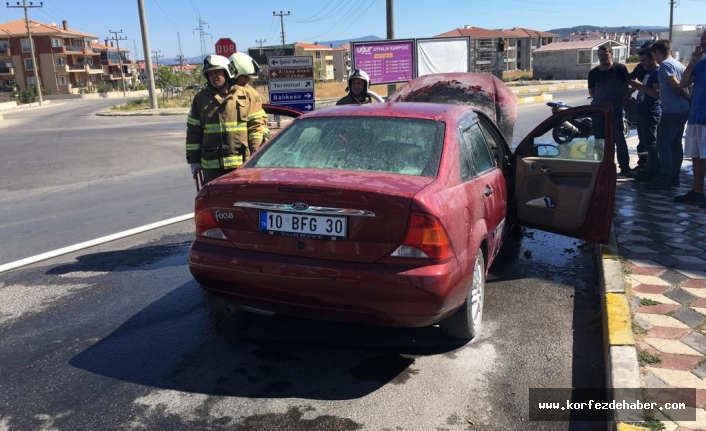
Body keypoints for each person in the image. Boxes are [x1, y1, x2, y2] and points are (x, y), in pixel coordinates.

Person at [185, 54, 268, 184]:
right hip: (212, 169)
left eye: (217, 72)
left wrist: (255, 155)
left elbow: (256, 127)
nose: (214, 77)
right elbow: (193, 132)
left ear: (227, 71)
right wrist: (193, 161)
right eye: (210, 74)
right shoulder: (200, 99)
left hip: (241, 165)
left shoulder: (245, 95)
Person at [644, 39, 691, 191]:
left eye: (654, 55)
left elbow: (676, 85)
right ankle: (674, 177)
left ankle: (665, 179)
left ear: (658, 52)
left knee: (663, 144)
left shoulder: (665, 65)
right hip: (682, 110)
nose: (655, 59)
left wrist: (688, 98)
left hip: (672, 110)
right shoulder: (678, 64)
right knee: (675, 144)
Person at [588, 44, 631, 177]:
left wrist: (619, 100)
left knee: (619, 138)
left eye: (605, 55)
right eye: (600, 55)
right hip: (599, 112)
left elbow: (625, 87)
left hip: (615, 110)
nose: (603, 58)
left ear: (611, 54)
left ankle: (625, 167)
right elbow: (592, 91)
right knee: (600, 141)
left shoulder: (620, 69)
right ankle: (603, 167)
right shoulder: (593, 73)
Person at [673, 30, 706, 205]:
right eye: (702, 39)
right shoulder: (700, 65)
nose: (703, 43)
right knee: (697, 155)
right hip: (696, 117)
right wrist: (692, 63)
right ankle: (697, 191)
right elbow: (683, 83)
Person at [629, 45, 661, 182]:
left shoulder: (656, 72)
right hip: (643, 112)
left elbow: (656, 94)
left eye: (644, 61)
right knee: (645, 143)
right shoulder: (648, 72)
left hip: (651, 113)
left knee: (651, 144)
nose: (642, 64)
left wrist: (639, 86)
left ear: (652, 58)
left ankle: (653, 170)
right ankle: (645, 166)